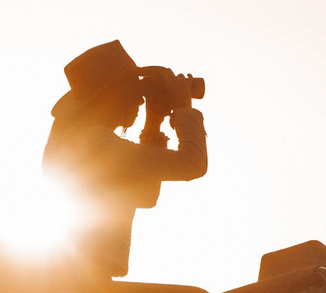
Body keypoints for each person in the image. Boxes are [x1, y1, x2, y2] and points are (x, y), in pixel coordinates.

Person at [43, 39, 207, 280]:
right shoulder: (95, 142)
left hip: (78, 276)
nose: (140, 100)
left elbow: (145, 196)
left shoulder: (79, 139)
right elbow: (193, 164)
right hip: (84, 281)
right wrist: (184, 109)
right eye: (133, 90)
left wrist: (153, 123)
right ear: (111, 95)